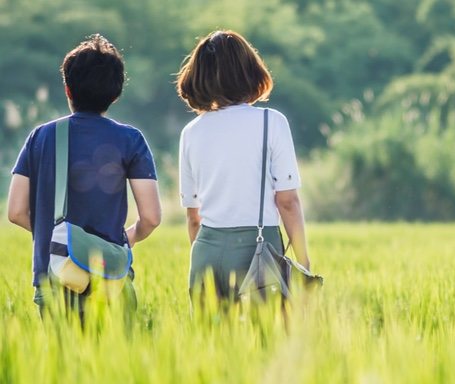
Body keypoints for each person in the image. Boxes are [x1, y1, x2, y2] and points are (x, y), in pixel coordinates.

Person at [6, 34, 161, 320]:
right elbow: (151, 217)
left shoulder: (40, 136)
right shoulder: (131, 139)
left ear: (67, 89)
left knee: (61, 364)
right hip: (110, 274)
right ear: (116, 94)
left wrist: (57, 238)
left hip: (55, 273)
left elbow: (15, 211)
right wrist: (127, 237)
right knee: (113, 364)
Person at [176, 30, 310, 302]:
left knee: (208, 343)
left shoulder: (191, 131)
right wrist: (304, 262)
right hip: (258, 250)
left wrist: (208, 253)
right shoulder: (271, 122)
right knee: (265, 341)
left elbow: (193, 217)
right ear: (251, 71)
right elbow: (287, 202)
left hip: (206, 252)